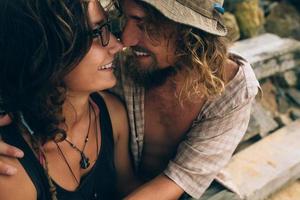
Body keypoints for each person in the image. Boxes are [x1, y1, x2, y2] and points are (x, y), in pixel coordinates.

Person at [0, 0, 261, 199]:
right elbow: (34, 42)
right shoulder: (119, 62)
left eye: (144, 23)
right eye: (123, 19)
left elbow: (180, 180)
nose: (123, 40)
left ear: (189, 32)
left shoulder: (232, 90)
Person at [0, 0, 136, 199]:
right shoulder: (11, 166)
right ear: (47, 51)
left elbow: (130, 188)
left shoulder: (112, 114)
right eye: (97, 33)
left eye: (109, 28)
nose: (118, 44)